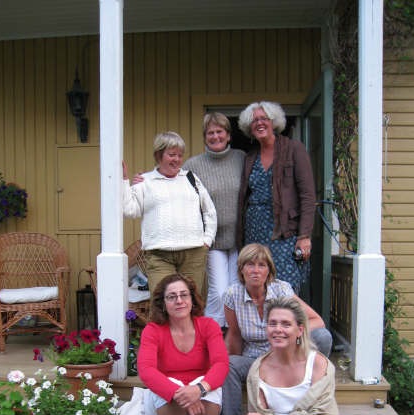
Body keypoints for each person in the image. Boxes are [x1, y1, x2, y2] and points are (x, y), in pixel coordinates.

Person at [215, 243, 332, 415]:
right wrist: (227, 373)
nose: (256, 270)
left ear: (269, 270)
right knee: (228, 365)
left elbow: (316, 321)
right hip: (255, 363)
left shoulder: (282, 290)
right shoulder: (232, 295)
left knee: (323, 337)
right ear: (241, 269)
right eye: (250, 264)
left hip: (287, 359)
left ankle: (311, 394)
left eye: (262, 265)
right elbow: (235, 335)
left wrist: (288, 338)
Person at [137, 274, 229, 415]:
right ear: (163, 303)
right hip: (165, 404)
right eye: (172, 297)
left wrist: (198, 389)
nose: (179, 300)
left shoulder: (208, 325)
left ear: (192, 299)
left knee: (209, 383)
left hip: (204, 401)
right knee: (166, 382)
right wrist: (180, 392)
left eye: (184, 295)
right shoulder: (153, 330)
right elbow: (146, 371)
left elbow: (221, 364)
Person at [122, 131, 217, 297]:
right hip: (159, 256)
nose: (177, 159)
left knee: (192, 302)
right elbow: (129, 210)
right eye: (172, 155)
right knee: (162, 303)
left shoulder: (191, 178)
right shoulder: (145, 181)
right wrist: (124, 181)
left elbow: (209, 211)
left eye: (180, 155)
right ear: (159, 155)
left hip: (193, 253)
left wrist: (207, 240)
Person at [237, 101, 316, 292]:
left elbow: (307, 195)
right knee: (257, 284)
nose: (259, 123)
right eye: (254, 120)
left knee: (285, 285)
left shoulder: (293, 149)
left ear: (274, 122)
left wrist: (304, 236)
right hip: (254, 231)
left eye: (264, 118)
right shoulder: (250, 157)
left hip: (284, 232)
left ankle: (286, 314)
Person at [184, 113, 245, 328]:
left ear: (228, 135)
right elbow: (175, 186)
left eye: (220, 131)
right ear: (204, 137)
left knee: (236, 290)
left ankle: (235, 335)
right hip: (212, 239)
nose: (215, 136)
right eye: (210, 133)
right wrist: (145, 179)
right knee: (219, 292)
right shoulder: (193, 165)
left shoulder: (241, 159)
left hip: (240, 239)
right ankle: (213, 333)